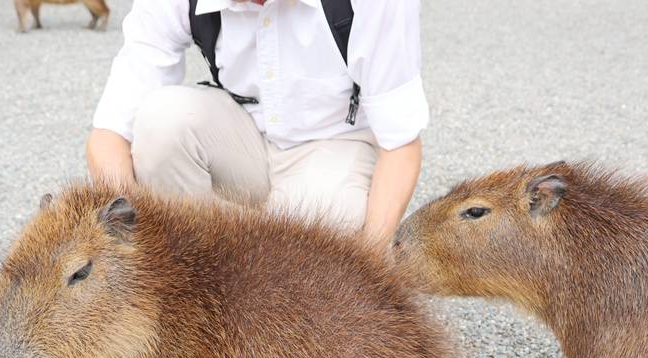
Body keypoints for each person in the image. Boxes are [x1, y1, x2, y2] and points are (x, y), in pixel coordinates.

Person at [86, 0, 428, 253]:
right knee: (161, 119)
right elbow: (110, 133)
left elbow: (400, 143)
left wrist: (368, 259)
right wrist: (136, 239)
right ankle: (195, 266)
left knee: (316, 251)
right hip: (241, 134)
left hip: (335, 141)